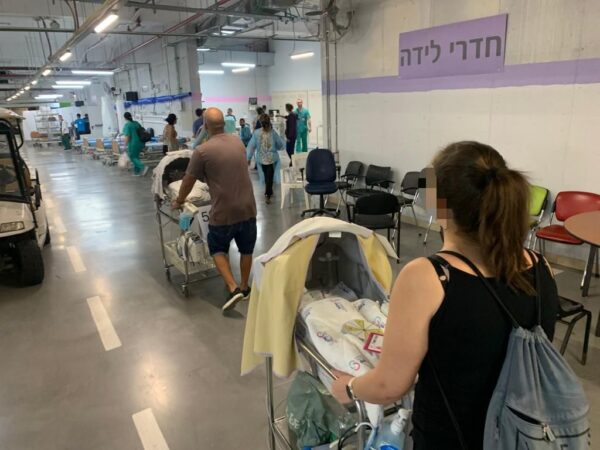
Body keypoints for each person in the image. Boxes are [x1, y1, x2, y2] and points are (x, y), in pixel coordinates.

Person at [330, 141, 559, 450]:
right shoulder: (540, 267)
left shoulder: (428, 277)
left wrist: (350, 387)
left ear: (439, 204)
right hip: (523, 434)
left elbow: (389, 387)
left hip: (452, 438)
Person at [172, 108, 257, 312]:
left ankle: (233, 287)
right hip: (248, 208)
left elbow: (188, 180)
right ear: (224, 124)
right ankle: (245, 287)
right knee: (247, 249)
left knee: (217, 247)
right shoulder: (237, 142)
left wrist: (179, 200)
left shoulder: (202, 151)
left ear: (205, 125)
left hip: (224, 212)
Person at [246, 114, 284, 205]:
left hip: (265, 159)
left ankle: (268, 194)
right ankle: (268, 192)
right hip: (269, 159)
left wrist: (249, 158)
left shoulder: (258, 133)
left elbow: (251, 146)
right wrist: (248, 158)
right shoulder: (272, 133)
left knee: (268, 177)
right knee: (268, 177)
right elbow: (280, 144)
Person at [122, 112, 148, 177]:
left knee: (132, 157)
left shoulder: (127, 125)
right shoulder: (136, 123)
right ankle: (137, 172)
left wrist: (124, 145)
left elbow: (127, 136)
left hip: (133, 144)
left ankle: (143, 167)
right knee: (136, 157)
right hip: (140, 143)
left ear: (125, 118)